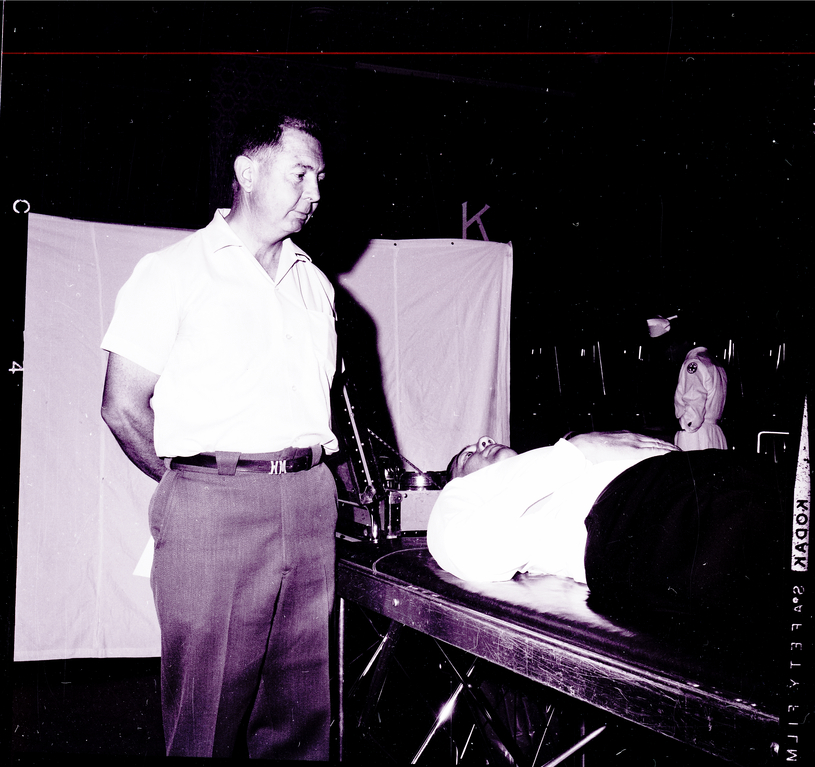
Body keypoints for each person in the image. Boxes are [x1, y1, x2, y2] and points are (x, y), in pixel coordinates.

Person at [100, 112, 338, 759]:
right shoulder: (172, 271)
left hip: (309, 501)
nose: (314, 192)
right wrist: (198, 482)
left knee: (301, 716)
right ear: (247, 172)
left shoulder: (315, 284)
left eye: (320, 178)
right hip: (212, 506)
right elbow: (122, 407)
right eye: (299, 174)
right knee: (206, 719)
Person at [428, 431, 782, 626]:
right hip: (632, 517)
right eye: (467, 455)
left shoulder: (535, 474)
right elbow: (468, 548)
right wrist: (576, 450)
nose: (483, 440)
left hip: (677, 483)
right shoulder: (458, 494)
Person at [673, 345, 728, 450]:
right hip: (715, 434)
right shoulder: (715, 364)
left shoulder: (694, 362)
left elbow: (694, 406)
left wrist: (683, 425)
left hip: (695, 436)